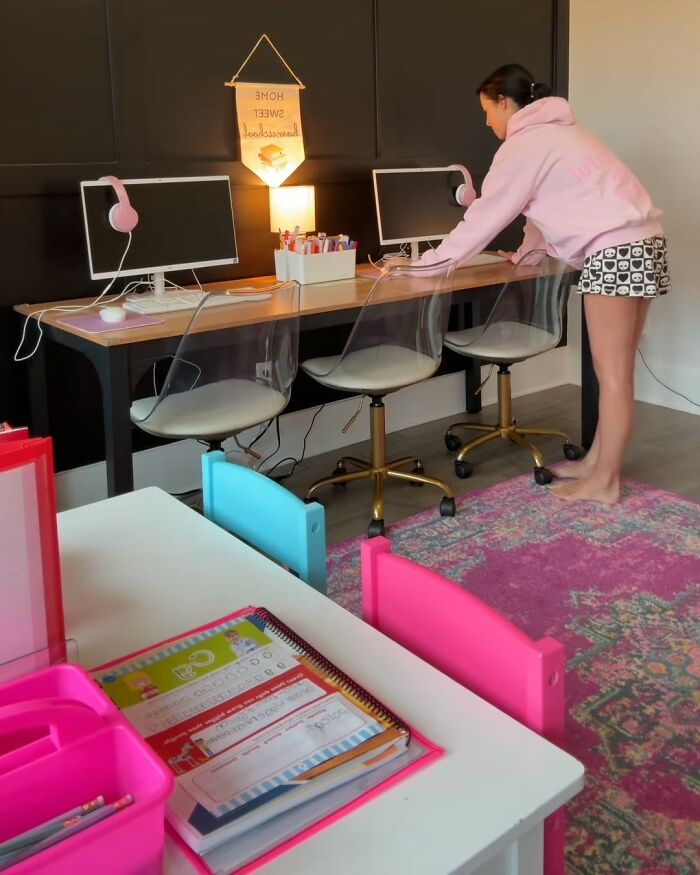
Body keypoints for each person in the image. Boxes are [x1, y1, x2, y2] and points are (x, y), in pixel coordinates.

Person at [410, 63, 669, 505]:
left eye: (486, 110)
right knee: (617, 373)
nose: (486, 121)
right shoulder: (564, 133)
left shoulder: (523, 145)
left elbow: (485, 217)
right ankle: (595, 464)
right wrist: (527, 254)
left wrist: (427, 265)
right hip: (645, 244)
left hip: (614, 252)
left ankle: (605, 483)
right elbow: (541, 210)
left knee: (612, 376)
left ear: (505, 103)